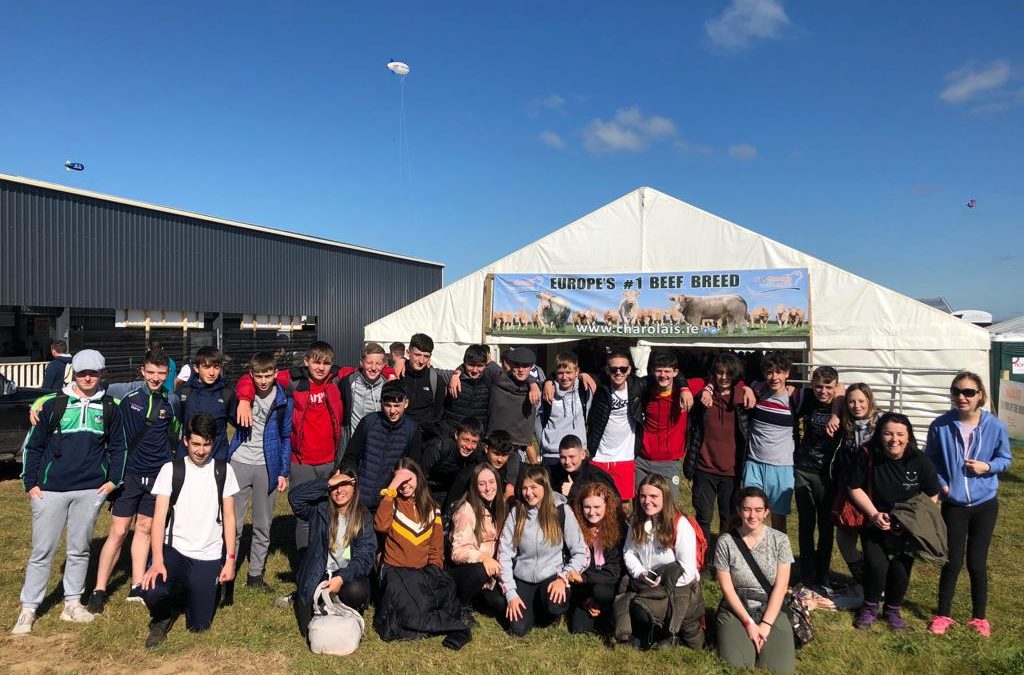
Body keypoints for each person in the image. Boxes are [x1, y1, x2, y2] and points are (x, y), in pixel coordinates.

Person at [11, 350, 125, 636]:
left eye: (93, 373)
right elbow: (34, 446)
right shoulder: (52, 405)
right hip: (50, 490)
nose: (87, 378)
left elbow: (119, 447)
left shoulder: (111, 406)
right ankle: (29, 607)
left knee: (80, 549)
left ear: (102, 374)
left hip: (90, 490)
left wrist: (113, 481)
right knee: (42, 551)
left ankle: (72, 603)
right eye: (82, 372)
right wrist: (31, 484)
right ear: (73, 373)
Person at [235, 341, 346, 571]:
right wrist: (245, 399)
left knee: (333, 515)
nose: (321, 367)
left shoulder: (337, 378)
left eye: (326, 363)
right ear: (306, 362)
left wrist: (390, 368)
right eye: (316, 362)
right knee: (303, 516)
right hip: (301, 461)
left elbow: (368, 368)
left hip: (330, 461)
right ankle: (304, 565)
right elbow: (253, 376)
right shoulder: (292, 379)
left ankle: (332, 563)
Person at [88, 349, 180, 614]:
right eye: (151, 372)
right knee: (118, 532)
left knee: (144, 527)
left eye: (161, 373)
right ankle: (100, 588)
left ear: (168, 374)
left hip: (157, 476)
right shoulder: (123, 393)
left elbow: (175, 435)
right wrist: (39, 403)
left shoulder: (171, 401)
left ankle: (137, 585)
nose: (156, 378)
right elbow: (88, 391)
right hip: (128, 474)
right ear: (142, 370)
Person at [140, 413, 239, 648]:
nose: (201, 450)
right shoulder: (170, 469)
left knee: (199, 626)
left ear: (213, 443)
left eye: (206, 444)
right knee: (151, 589)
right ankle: (163, 616)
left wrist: (230, 560)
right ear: (185, 441)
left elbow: (229, 517)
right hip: (175, 549)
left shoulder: (224, 471)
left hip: (208, 553)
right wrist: (157, 560)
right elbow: (159, 518)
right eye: (195, 443)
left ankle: (196, 589)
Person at [926, 372, 1013, 638]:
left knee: (977, 562)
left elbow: (1005, 458)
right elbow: (932, 461)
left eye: (968, 392)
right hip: (954, 504)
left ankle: (979, 618)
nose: (962, 397)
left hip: (985, 503)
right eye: (956, 391)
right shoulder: (940, 425)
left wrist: (987, 467)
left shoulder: (995, 426)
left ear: (980, 395)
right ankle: (943, 614)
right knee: (952, 562)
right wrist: (942, 484)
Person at [849, 413, 940, 631]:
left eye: (900, 434)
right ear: (880, 435)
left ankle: (893, 610)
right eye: (888, 433)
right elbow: (854, 486)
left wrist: (912, 518)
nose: (894, 439)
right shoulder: (867, 455)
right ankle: (870, 607)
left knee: (901, 569)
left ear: (908, 437)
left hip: (906, 527)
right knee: (876, 566)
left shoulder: (920, 460)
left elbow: (932, 494)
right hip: (875, 523)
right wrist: (874, 514)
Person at [374, 458, 469, 648]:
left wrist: (434, 570)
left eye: (408, 478)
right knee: (408, 610)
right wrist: (391, 488)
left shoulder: (432, 508)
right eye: (399, 480)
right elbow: (381, 525)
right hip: (396, 571)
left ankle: (456, 628)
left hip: (423, 571)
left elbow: (436, 548)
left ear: (418, 477)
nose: (404, 485)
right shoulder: (391, 503)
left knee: (438, 595)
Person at [225, 351, 293, 598]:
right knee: (235, 522)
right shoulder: (243, 393)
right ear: (251, 375)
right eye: (258, 376)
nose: (263, 380)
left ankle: (255, 574)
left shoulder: (284, 400)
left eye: (268, 375)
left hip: (268, 466)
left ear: (275, 374)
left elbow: (286, 437)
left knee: (263, 525)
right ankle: (227, 568)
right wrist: (244, 399)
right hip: (239, 463)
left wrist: (283, 471)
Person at [498, 466, 589, 637]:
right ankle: (532, 606)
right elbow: (504, 555)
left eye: (534, 488)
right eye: (525, 488)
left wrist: (563, 578)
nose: (529, 493)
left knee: (553, 607)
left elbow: (581, 553)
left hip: (552, 576)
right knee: (518, 629)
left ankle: (547, 607)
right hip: (523, 577)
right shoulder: (516, 513)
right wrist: (511, 593)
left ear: (545, 487)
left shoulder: (561, 511)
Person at [617, 474, 704, 650]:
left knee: (640, 609)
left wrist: (660, 586)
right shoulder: (636, 520)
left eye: (653, 496)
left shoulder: (681, 525)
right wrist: (640, 572)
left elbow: (687, 572)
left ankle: (667, 633)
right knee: (625, 606)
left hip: (676, 587)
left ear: (665, 496)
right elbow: (629, 552)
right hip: (645, 581)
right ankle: (651, 632)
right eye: (642, 496)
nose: (647, 501)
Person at [714, 486, 796, 674]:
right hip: (738, 607)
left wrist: (766, 625)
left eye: (759, 510)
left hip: (771, 606)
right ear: (739, 511)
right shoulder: (725, 542)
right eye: (747, 509)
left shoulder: (780, 540)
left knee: (782, 670)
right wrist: (749, 623)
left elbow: (781, 586)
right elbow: (727, 589)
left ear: (766, 512)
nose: (753, 515)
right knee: (737, 666)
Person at [288, 468, 375, 640]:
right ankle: (315, 599)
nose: (340, 490)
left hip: (346, 574)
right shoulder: (319, 508)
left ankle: (341, 604)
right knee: (308, 631)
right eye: (336, 485)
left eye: (345, 484)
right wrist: (327, 483)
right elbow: (294, 498)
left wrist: (341, 578)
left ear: (355, 487)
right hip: (319, 571)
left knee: (356, 591)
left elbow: (365, 557)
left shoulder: (363, 517)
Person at [688, 352, 748, 543]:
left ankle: (723, 561)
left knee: (728, 518)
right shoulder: (703, 398)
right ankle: (702, 560)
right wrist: (707, 388)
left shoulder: (742, 399)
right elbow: (682, 381)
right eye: (719, 373)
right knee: (703, 517)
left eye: (728, 374)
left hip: (731, 470)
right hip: (704, 468)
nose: (723, 377)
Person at [793, 366, 844, 585]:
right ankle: (806, 572)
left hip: (827, 474)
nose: (823, 391)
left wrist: (835, 413)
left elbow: (843, 391)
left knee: (826, 525)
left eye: (828, 387)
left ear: (835, 387)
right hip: (804, 468)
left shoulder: (842, 403)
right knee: (806, 524)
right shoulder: (807, 398)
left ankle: (822, 573)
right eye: (818, 386)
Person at [341, 380, 422, 512]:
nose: (392, 411)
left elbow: (412, 469)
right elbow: (351, 455)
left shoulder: (412, 431)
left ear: (406, 403)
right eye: (388, 405)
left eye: (397, 405)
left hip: (388, 501)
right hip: (359, 498)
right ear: (381, 403)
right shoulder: (368, 422)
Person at [741, 351, 800, 532]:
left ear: (787, 373)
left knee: (778, 518)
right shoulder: (758, 390)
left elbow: (838, 388)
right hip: (755, 464)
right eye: (769, 372)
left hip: (781, 467)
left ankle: (778, 557)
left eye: (779, 372)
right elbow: (737, 381)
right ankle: (751, 553)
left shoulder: (795, 398)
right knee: (751, 513)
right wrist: (748, 388)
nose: (774, 377)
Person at [447, 463, 508, 624]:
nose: (488, 488)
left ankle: (478, 599)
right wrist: (483, 558)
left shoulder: (501, 505)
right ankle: (460, 604)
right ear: (475, 486)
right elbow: (457, 552)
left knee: (501, 604)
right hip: (468, 570)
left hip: (495, 568)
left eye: (492, 482)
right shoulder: (467, 511)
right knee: (479, 572)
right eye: (482, 484)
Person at [829, 382, 878, 582]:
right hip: (849, 491)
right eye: (851, 401)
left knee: (872, 541)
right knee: (844, 538)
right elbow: (838, 388)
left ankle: (876, 583)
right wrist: (834, 413)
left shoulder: (881, 424)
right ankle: (862, 577)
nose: (856, 406)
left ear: (869, 401)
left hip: (874, 492)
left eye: (861, 401)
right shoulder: (847, 426)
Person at [635, 352, 696, 500]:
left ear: (675, 372)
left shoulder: (687, 389)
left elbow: (717, 379)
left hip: (669, 463)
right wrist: (588, 376)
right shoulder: (646, 391)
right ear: (652, 371)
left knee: (669, 509)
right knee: (640, 506)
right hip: (641, 460)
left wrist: (707, 389)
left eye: (667, 371)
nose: (663, 375)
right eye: (658, 370)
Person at [568, 481, 625, 635]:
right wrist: (586, 598)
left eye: (597, 507)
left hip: (609, 586)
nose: (591, 512)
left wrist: (584, 578)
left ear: (607, 507)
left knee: (601, 591)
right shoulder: (577, 528)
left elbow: (614, 572)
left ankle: (606, 611)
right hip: (586, 588)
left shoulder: (619, 529)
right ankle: (591, 607)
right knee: (578, 629)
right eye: (587, 507)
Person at [442, 429, 521, 515]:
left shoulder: (509, 468)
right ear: (486, 449)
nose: (500, 460)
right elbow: (454, 497)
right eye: (496, 454)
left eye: (504, 455)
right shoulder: (472, 470)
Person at [177, 346, 234, 461]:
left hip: (217, 459)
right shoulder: (184, 393)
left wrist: (245, 401)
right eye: (206, 367)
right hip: (187, 460)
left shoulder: (227, 393)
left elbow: (238, 424)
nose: (212, 372)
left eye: (216, 367)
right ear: (196, 368)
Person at [535, 352, 591, 467]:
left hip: (578, 455)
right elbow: (537, 422)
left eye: (569, 372)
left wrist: (585, 375)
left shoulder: (584, 390)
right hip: (552, 455)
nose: (565, 377)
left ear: (577, 372)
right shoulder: (548, 393)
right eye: (560, 373)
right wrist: (544, 444)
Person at [339, 342, 396, 454]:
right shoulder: (348, 383)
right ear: (361, 363)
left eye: (378, 363)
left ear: (384, 364)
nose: (374, 368)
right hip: (351, 446)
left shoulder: (388, 386)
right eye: (369, 363)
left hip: (377, 447)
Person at [486, 347, 541, 463]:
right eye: (517, 365)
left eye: (525, 366)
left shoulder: (536, 387)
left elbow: (556, 380)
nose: (521, 369)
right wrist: (457, 373)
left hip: (516, 448)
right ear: (510, 364)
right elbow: (476, 358)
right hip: (493, 443)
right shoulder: (497, 377)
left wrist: (533, 383)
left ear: (531, 367)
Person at [421, 417, 484, 506]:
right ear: (456, 435)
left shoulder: (476, 455)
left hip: (449, 492)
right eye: (465, 440)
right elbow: (421, 477)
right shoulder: (437, 449)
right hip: (426, 488)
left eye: (474, 442)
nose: (469, 446)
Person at [549, 434, 618, 504]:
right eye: (563, 457)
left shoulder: (596, 476)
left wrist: (574, 490)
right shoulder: (554, 473)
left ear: (582, 455)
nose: (567, 462)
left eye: (572, 457)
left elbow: (613, 500)